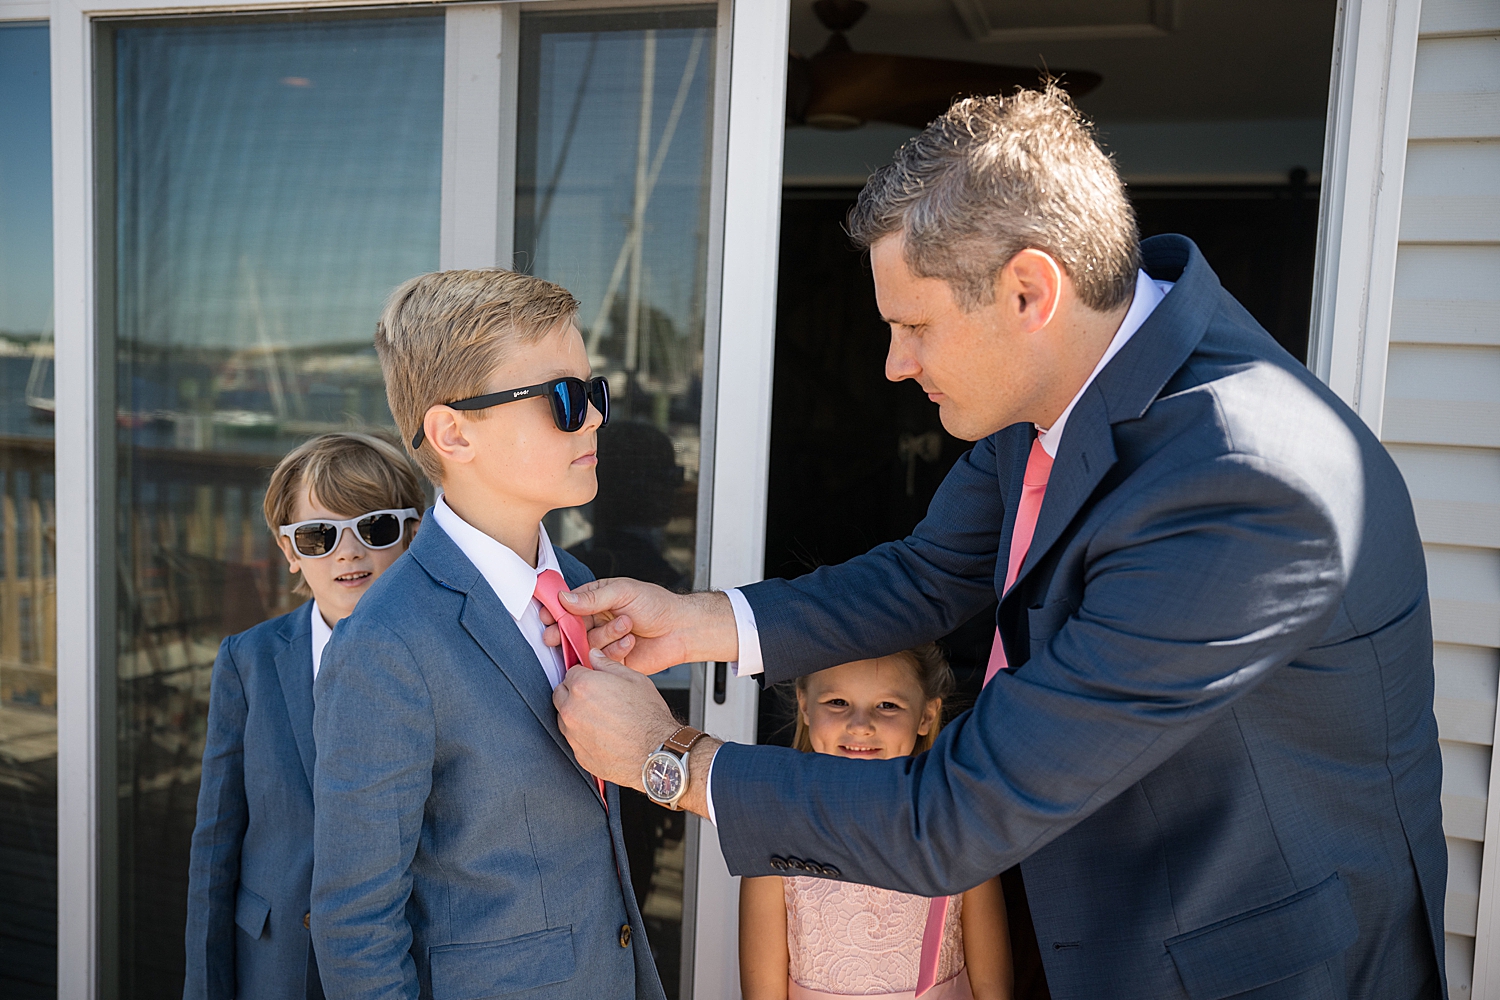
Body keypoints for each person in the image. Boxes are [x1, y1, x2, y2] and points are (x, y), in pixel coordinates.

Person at [551, 86, 1447, 1000]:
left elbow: (955, 814)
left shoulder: (1239, 483)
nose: (895, 363)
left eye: (913, 325)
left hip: (1238, 970)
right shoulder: (1059, 386)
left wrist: (667, 761)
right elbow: (929, 574)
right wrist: (699, 623)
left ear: (1029, 291)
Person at [309, 269, 665, 1000]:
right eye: (565, 399)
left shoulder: (574, 582)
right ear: (453, 433)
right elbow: (356, 928)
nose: (595, 418)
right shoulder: (386, 647)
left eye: (593, 395)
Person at [183, 431, 425, 1000]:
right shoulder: (249, 661)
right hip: (273, 960)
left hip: (400, 961)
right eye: (319, 535)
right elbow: (216, 845)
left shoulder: (441, 664)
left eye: (375, 527)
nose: (349, 552)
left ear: (412, 537)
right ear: (290, 552)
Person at [740, 644, 1012, 1000]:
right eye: (838, 702)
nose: (860, 726)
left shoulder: (958, 822)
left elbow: (993, 987)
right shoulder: (774, 834)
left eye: (887, 706)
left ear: (926, 715)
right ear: (805, 705)